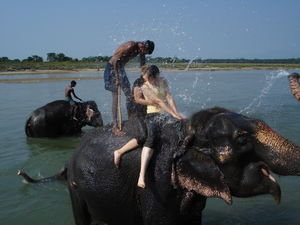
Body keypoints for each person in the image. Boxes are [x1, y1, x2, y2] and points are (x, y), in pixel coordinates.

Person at [113, 65, 185, 188]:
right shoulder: (143, 85)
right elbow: (157, 101)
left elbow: (169, 97)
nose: (147, 79)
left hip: (163, 113)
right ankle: (141, 175)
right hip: (148, 114)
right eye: (147, 77)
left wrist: (176, 113)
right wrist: (173, 114)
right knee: (148, 138)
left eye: (149, 77)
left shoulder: (162, 81)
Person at [104, 40, 155, 136]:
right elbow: (115, 60)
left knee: (129, 95)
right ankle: (115, 126)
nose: (143, 54)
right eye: (144, 52)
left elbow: (142, 65)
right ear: (142, 47)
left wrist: (144, 78)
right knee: (116, 96)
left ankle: (130, 119)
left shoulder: (141, 50)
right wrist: (117, 79)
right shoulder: (130, 46)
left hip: (120, 69)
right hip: (112, 68)